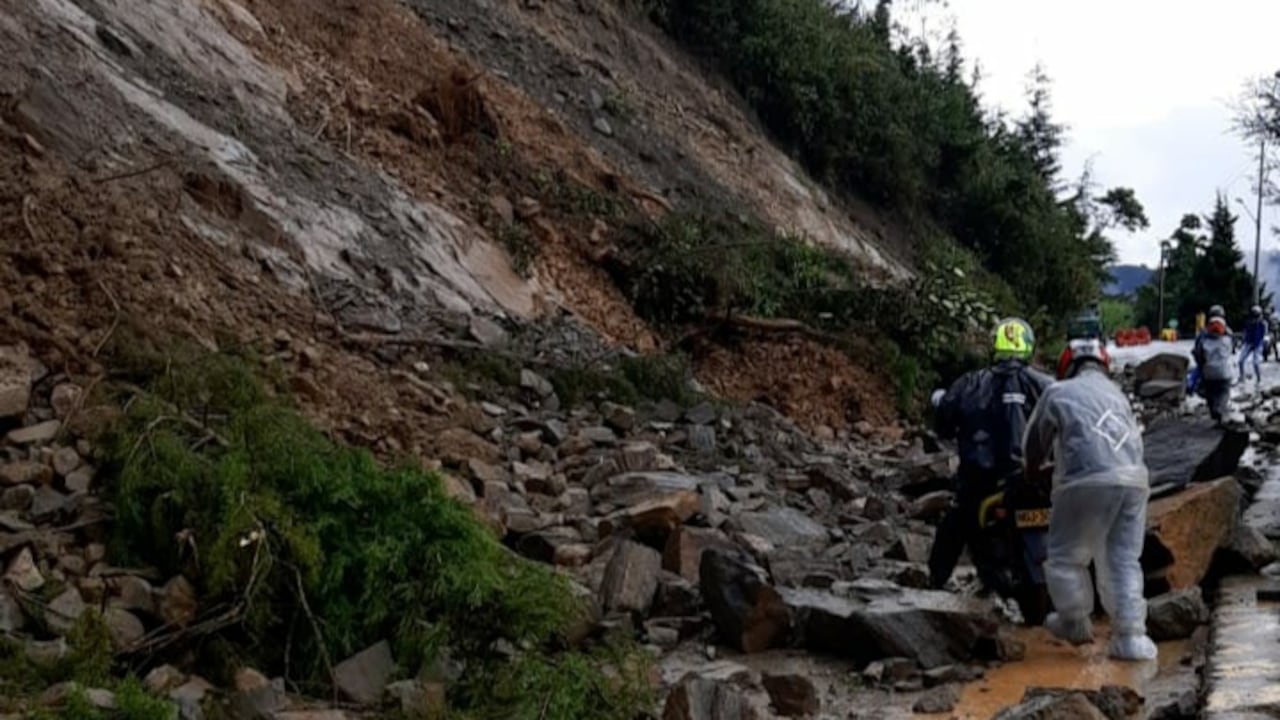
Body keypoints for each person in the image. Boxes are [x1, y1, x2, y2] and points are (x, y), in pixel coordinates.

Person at [1024, 338, 1156, 661]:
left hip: (1082, 481)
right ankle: (1131, 639)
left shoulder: (1057, 392)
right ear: (1103, 364)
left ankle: (1074, 622)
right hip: (1134, 482)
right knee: (1123, 559)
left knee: (1065, 558)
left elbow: (1033, 444)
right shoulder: (1118, 395)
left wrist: (1032, 470)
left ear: (1067, 365)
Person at [928, 318, 1054, 591]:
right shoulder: (1045, 384)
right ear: (1028, 347)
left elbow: (943, 423)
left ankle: (936, 582)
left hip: (982, 481)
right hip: (1036, 477)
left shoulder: (970, 383)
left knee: (957, 521)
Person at [1192, 306, 1234, 423]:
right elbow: (1232, 350)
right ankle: (1221, 411)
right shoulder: (1228, 334)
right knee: (1223, 392)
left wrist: (1202, 366)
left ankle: (1214, 412)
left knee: (1210, 392)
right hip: (1224, 373)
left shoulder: (1203, 334)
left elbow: (1198, 353)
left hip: (1208, 373)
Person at [1239, 305, 1267, 386]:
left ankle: (1259, 379)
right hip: (1248, 343)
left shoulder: (1263, 323)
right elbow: (1245, 332)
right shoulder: (1249, 322)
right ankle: (1242, 377)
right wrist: (1244, 340)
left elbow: (1263, 335)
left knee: (1256, 363)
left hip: (1258, 344)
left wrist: (1260, 344)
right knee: (1240, 361)